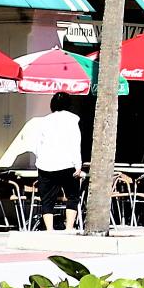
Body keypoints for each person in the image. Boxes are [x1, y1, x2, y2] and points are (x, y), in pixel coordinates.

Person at [23, 97, 84, 230]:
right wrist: (78, 165)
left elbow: (36, 143)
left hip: (46, 165)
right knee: (72, 196)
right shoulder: (73, 120)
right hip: (67, 164)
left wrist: (40, 158)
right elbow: (75, 143)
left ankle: (49, 229)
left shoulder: (44, 121)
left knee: (47, 199)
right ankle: (69, 228)